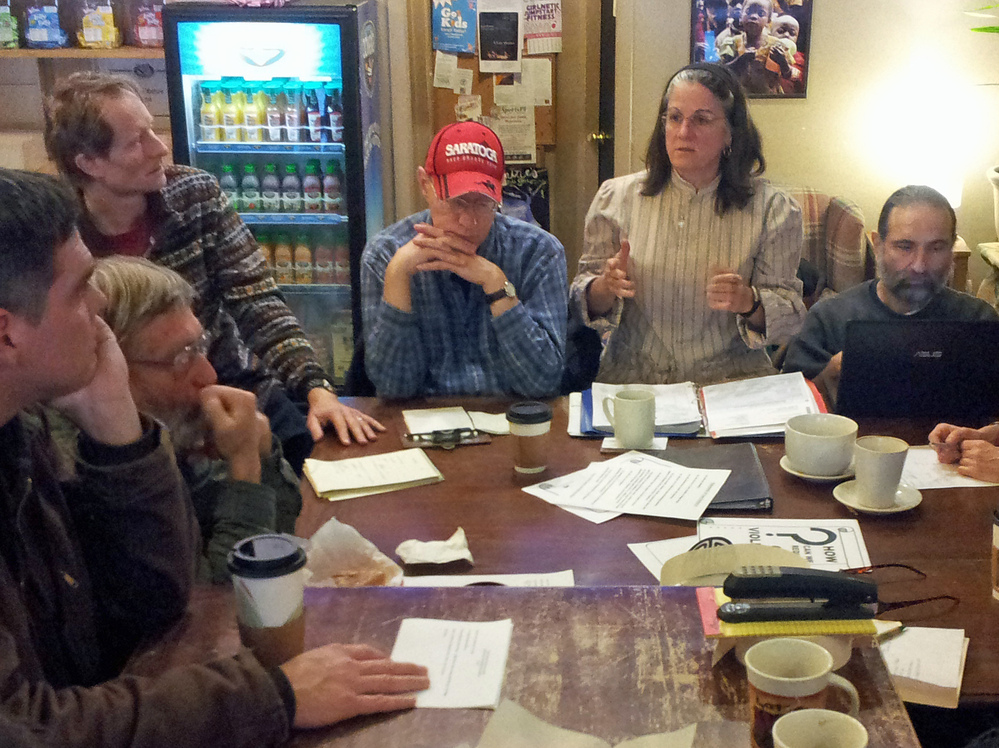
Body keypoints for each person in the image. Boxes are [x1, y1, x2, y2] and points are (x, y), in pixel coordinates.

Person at [0, 167, 428, 747]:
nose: (98, 300)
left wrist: (119, 433)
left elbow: (153, 608)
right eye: (79, 290)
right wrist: (274, 695)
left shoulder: (25, 436)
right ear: (6, 334)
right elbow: (26, 729)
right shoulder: (44, 444)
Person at [42, 71, 384, 473]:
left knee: (321, 471)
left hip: (231, 382)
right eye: (137, 141)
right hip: (130, 415)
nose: (161, 148)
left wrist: (316, 388)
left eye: (153, 131)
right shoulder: (57, 234)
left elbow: (256, 298)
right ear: (90, 163)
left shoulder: (195, 194)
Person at [571, 62, 805, 386]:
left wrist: (749, 302)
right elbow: (582, 304)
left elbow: (792, 317)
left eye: (702, 120)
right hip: (635, 380)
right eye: (675, 117)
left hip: (730, 383)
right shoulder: (616, 197)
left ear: (730, 134)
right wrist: (604, 287)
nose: (683, 132)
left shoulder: (773, 209)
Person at [91, 255, 301, 583]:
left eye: (199, 347)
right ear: (109, 369)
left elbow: (280, 549)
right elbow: (217, 604)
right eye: (180, 358)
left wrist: (263, 458)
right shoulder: (94, 472)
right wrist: (245, 470)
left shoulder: (179, 429)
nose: (208, 374)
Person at [360, 121, 568, 398]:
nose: (468, 221)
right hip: (423, 426)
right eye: (456, 201)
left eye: (483, 203)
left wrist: (497, 283)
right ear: (425, 185)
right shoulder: (385, 254)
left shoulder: (539, 251)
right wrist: (398, 274)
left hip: (513, 422)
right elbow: (394, 388)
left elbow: (543, 381)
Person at [782, 185, 999, 406]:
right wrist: (830, 374)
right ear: (878, 245)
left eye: (936, 248)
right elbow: (788, 407)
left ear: (952, 249)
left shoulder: (979, 321)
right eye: (905, 247)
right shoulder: (829, 319)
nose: (919, 265)